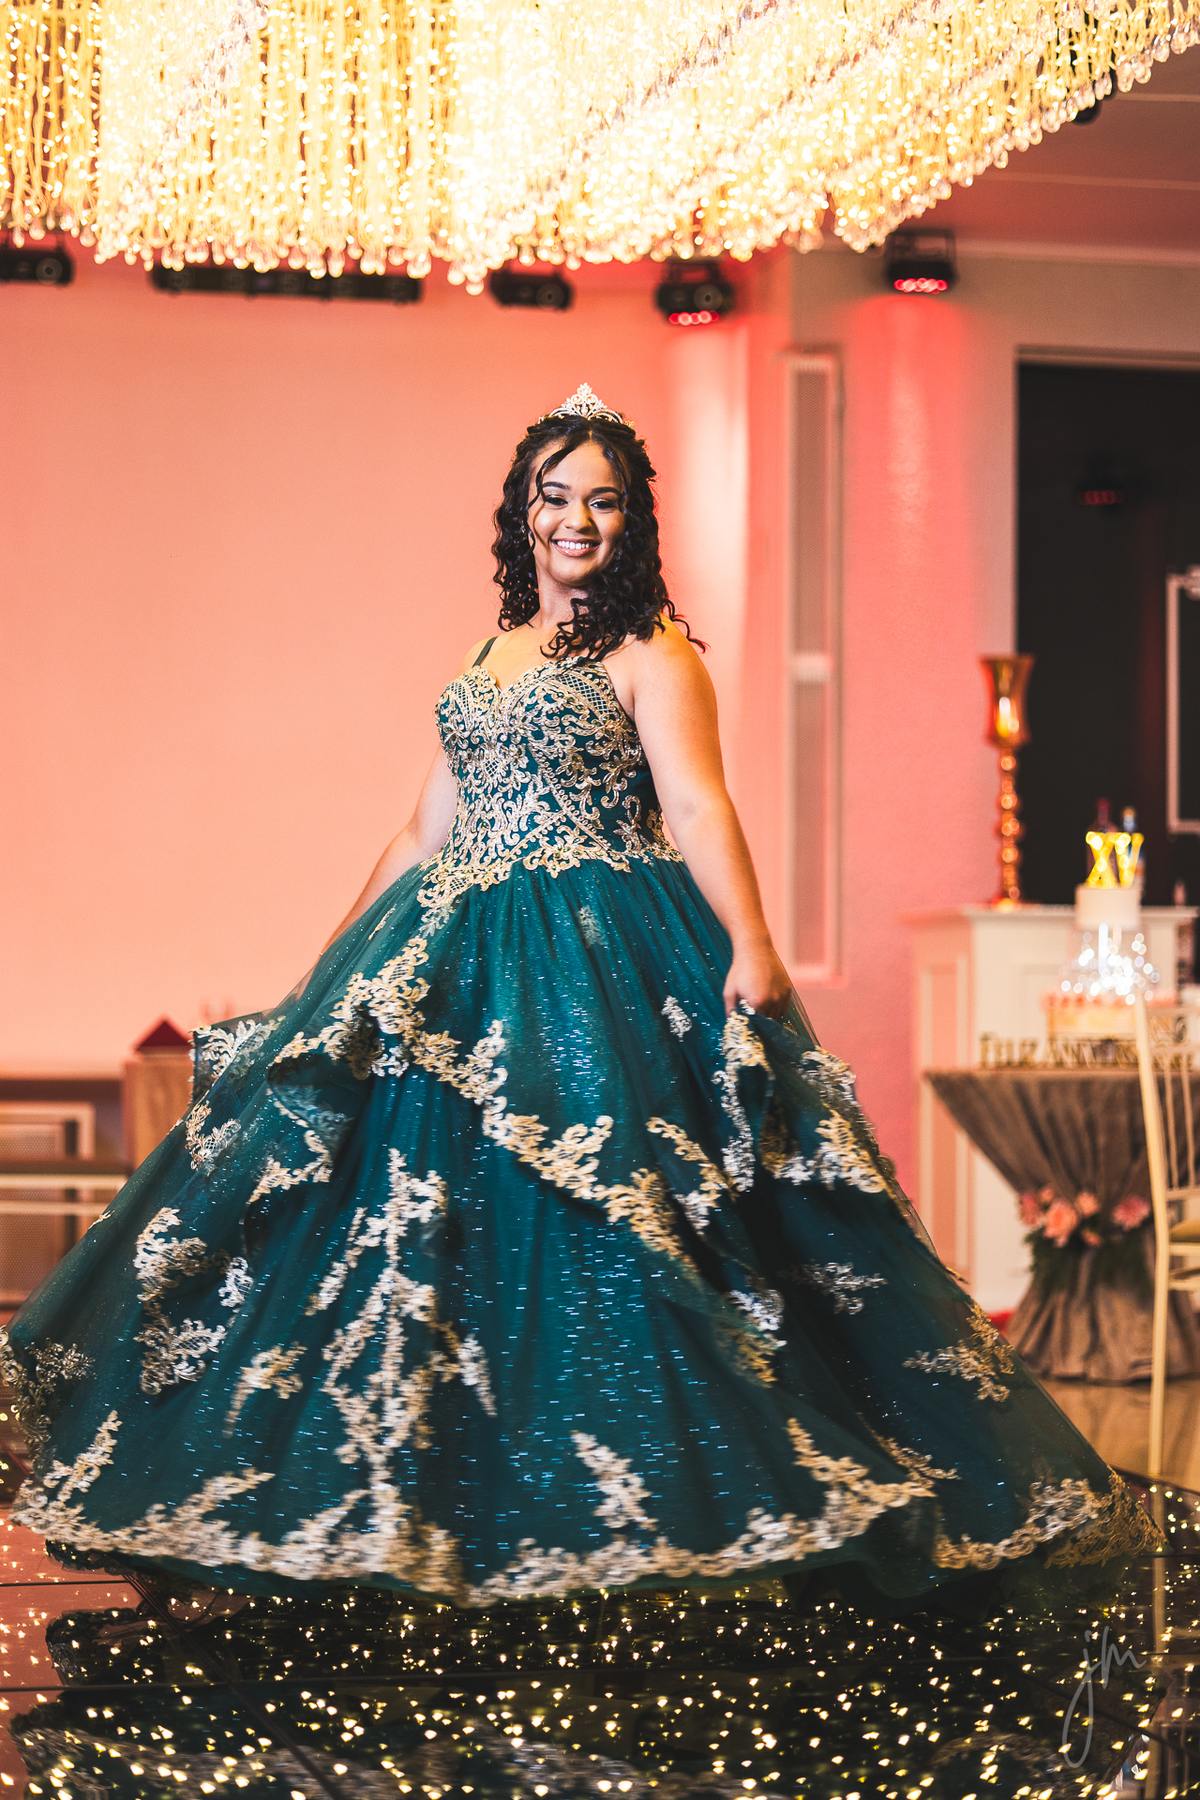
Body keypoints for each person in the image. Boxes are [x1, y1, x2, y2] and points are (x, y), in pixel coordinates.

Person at [1, 384, 1155, 1609]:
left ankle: (645, 1511)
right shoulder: (488, 654)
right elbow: (421, 832)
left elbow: (698, 805)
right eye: (555, 498)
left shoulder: (655, 654)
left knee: (616, 1214)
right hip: (452, 949)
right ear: (523, 511)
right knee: (421, 1233)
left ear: (631, 521)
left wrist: (754, 942)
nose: (577, 521)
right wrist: (322, 971)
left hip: (597, 957)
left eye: (603, 502)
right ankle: (432, 1508)